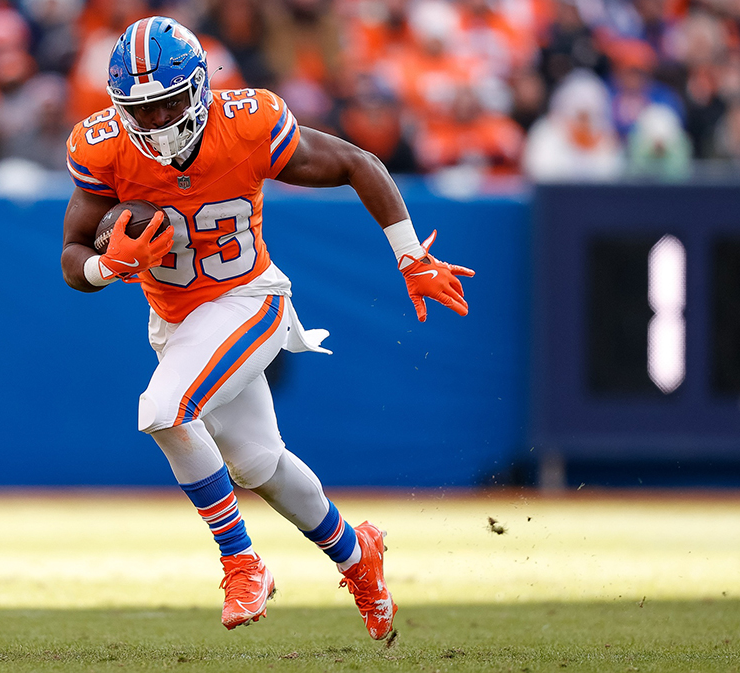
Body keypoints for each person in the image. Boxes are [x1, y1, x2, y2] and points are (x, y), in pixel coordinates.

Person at [59, 17, 475, 639]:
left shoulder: (248, 123)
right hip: (175, 320)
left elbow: (358, 163)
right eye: (141, 110)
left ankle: (242, 561)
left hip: (250, 298)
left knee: (164, 411)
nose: (157, 121)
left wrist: (411, 257)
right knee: (260, 466)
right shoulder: (102, 147)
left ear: (199, 88)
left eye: (168, 102)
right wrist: (106, 265)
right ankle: (358, 556)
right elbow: (71, 256)